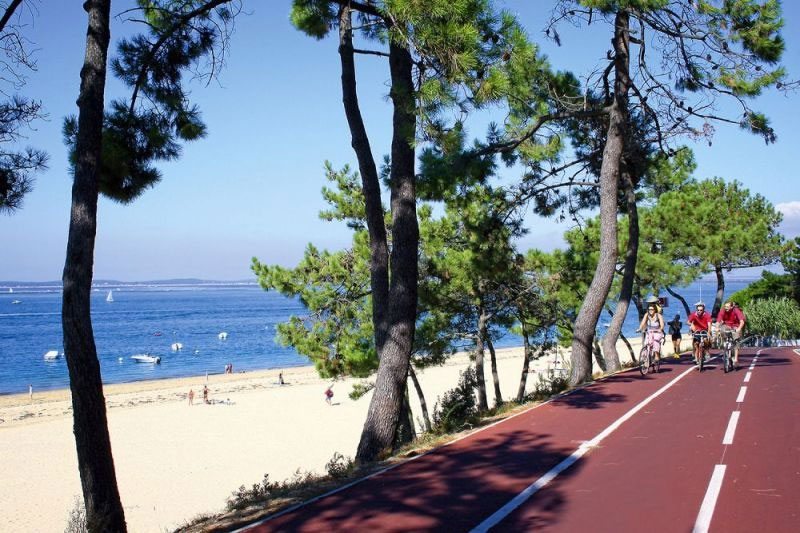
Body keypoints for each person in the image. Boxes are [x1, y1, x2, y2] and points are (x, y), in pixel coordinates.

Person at [717, 300, 746, 370]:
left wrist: (739, 329)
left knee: (736, 341)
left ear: (732, 307)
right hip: (726, 325)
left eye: (728, 307)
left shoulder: (736, 311)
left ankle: (735, 359)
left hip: (735, 326)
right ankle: (724, 345)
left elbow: (742, 322)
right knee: (722, 330)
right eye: (725, 306)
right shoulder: (722, 311)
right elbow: (718, 321)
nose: (726, 308)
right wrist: (717, 328)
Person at [687, 301, 713, 370]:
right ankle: (696, 358)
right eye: (698, 310)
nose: (699, 311)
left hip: (705, 330)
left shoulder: (707, 315)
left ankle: (707, 352)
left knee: (706, 340)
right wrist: (691, 325)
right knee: (696, 344)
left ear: (703, 309)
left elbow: (709, 324)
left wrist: (709, 332)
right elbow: (688, 322)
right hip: (697, 330)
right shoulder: (693, 314)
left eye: (701, 310)